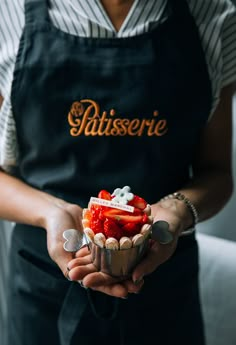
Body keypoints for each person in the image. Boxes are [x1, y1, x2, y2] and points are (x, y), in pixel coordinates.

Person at [0, 0, 236, 344]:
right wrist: (53, 213)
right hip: (43, 291)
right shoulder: (9, 11)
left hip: (164, 291)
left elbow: (217, 174)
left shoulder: (214, 15)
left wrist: (176, 210)